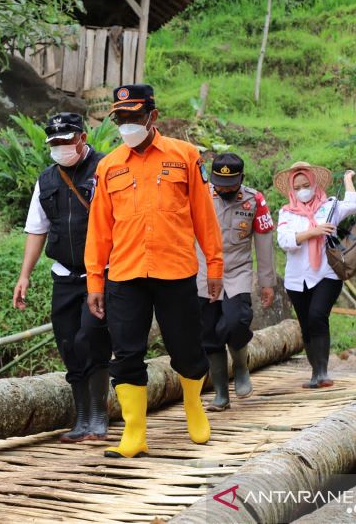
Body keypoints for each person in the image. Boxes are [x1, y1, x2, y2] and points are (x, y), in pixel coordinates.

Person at [84, 84, 224, 458]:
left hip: (175, 270)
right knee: (126, 354)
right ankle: (134, 433)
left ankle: (194, 408)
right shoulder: (108, 165)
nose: (127, 124)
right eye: (121, 118)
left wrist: (214, 266)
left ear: (153, 117)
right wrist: (95, 280)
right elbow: (99, 228)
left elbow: (204, 217)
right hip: (125, 275)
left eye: (134, 116)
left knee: (186, 348)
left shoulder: (185, 157)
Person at [13, 112, 112, 442]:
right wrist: (24, 276)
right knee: (69, 343)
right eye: (53, 143)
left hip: (100, 275)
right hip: (64, 276)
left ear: (81, 138)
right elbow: (36, 229)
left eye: (65, 141)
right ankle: (81, 415)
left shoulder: (106, 169)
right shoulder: (47, 180)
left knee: (92, 338)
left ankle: (99, 413)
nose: (59, 148)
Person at [196, 152, 276, 411]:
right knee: (209, 333)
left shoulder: (255, 200)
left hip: (237, 272)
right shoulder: (200, 195)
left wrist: (267, 282)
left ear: (242, 178)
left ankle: (241, 366)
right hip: (204, 273)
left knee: (237, 321)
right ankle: (221, 394)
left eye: (231, 184)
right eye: (220, 183)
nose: (225, 188)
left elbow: (264, 243)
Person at [274, 161, 356, 388]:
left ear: (313, 183)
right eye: (298, 186)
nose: (303, 190)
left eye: (306, 184)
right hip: (297, 278)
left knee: (317, 316)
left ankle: (322, 372)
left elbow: (352, 204)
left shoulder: (329, 205)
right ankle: (314, 373)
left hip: (327, 273)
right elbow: (285, 241)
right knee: (306, 323)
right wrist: (313, 232)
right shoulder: (286, 212)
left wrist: (348, 180)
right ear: (292, 190)